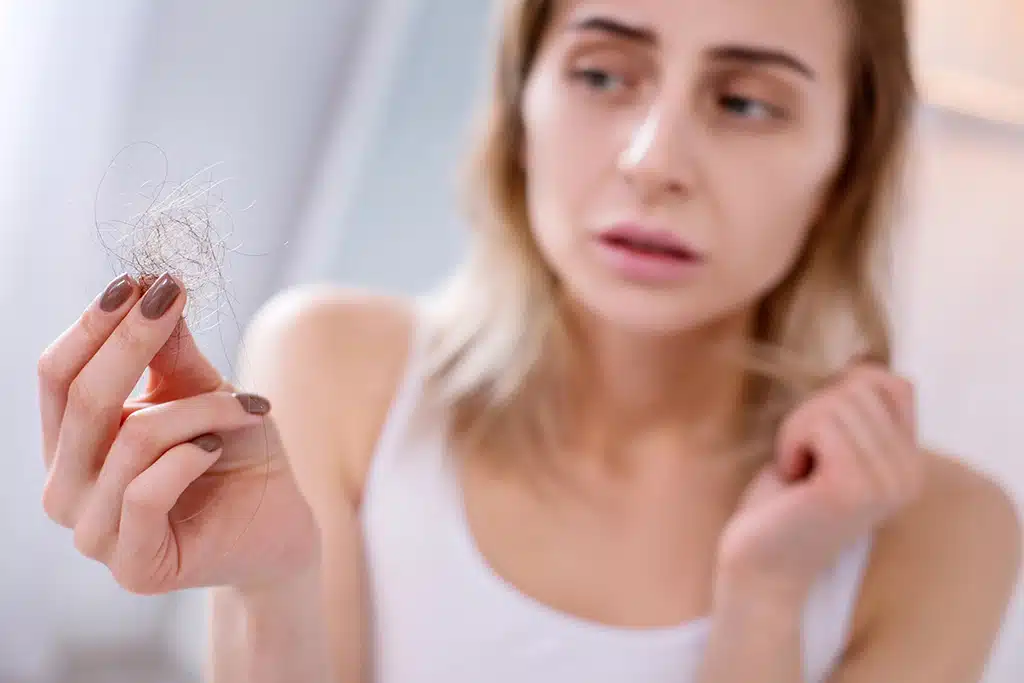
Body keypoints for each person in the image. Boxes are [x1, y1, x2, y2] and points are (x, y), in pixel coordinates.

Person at [37, 0, 1021, 681]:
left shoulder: (942, 528)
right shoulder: (337, 363)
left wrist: (765, 597)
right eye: (602, 74)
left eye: (746, 100)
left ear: (845, 159)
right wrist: (269, 584)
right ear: (520, 103)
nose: (652, 161)